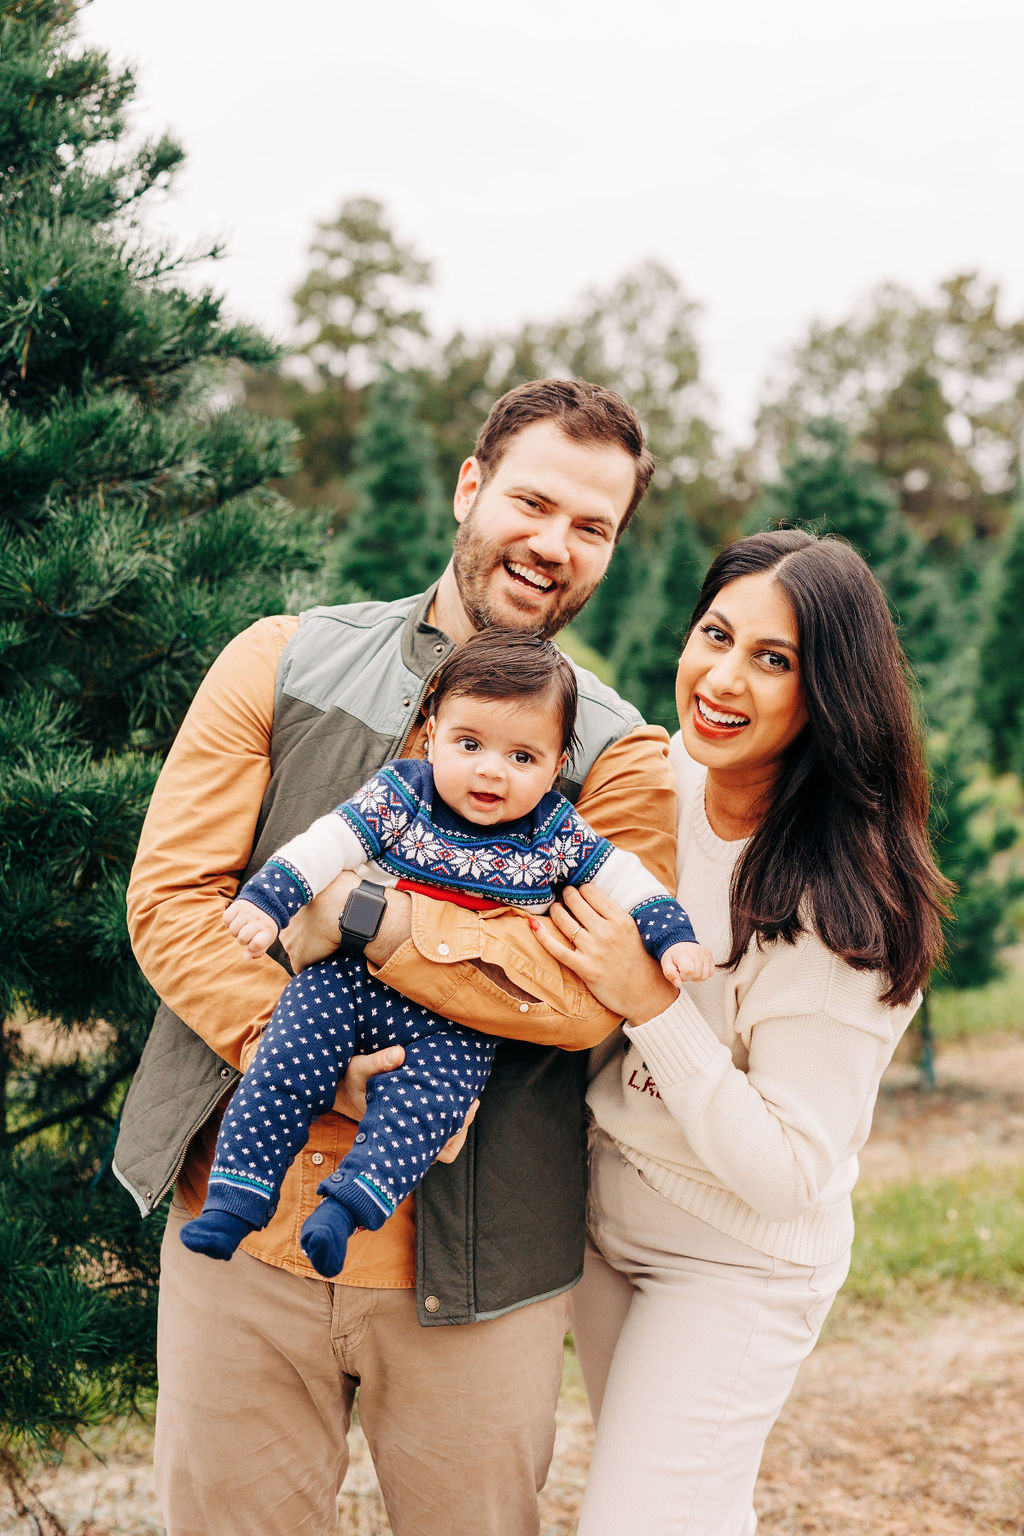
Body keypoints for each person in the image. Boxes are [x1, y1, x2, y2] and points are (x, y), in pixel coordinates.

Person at [115, 378, 679, 1536]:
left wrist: (362, 921)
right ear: (471, 488)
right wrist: (303, 1054)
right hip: (242, 1237)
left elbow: (588, 998)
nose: (552, 545)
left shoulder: (622, 760)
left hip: (477, 1273)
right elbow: (173, 900)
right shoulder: (280, 661)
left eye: (592, 527)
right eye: (533, 502)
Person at [533, 529, 952, 1536]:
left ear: (832, 696)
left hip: (734, 1260)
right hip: (602, 1218)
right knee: (683, 1513)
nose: (723, 678)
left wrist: (654, 1004)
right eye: (715, 635)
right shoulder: (651, 785)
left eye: (773, 660)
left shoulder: (846, 906)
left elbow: (785, 1170)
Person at [180, 628, 710, 1276]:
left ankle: (344, 1210)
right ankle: (237, 1197)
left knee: (433, 1104)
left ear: (553, 765)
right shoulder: (405, 793)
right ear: (432, 733)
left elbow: (627, 880)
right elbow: (328, 846)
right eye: (469, 744)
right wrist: (269, 902)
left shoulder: (553, 831)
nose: (491, 769)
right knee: (289, 1054)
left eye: (522, 757)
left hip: (456, 1013)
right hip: (351, 977)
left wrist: (674, 935)